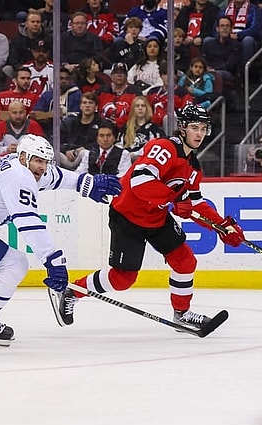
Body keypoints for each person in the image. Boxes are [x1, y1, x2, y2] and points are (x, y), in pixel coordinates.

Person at [52, 104, 244, 333]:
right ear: (182, 128)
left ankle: (181, 314)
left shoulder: (193, 167)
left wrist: (221, 226)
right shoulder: (164, 148)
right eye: (194, 127)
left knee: (185, 260)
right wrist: (173, 199)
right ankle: (72, 291)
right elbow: (140, 182)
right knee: (123, 280)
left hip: (157, 217)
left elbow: (194, 204)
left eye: (203, 128)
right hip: (128, 215)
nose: (200, 134)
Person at [0, 134, 122, 346]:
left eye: (45, 161)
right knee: (14, 263)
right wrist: (52, 259)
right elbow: (28, 222)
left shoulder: (22, 165)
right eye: (39, 161)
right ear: (23, 157)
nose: (43, 167)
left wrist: (86, 183)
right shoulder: (19, 177)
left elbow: (55, 176)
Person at [118, 95, 166, 161]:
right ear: (133, 109)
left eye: (143, 106)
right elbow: (118, 147)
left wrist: (135, 154)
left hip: (145, 162)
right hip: (126, 162)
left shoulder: (155, 129)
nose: (140, 108)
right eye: (137, 106)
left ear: (147, 108)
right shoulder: (125, 128)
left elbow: (155, 148)